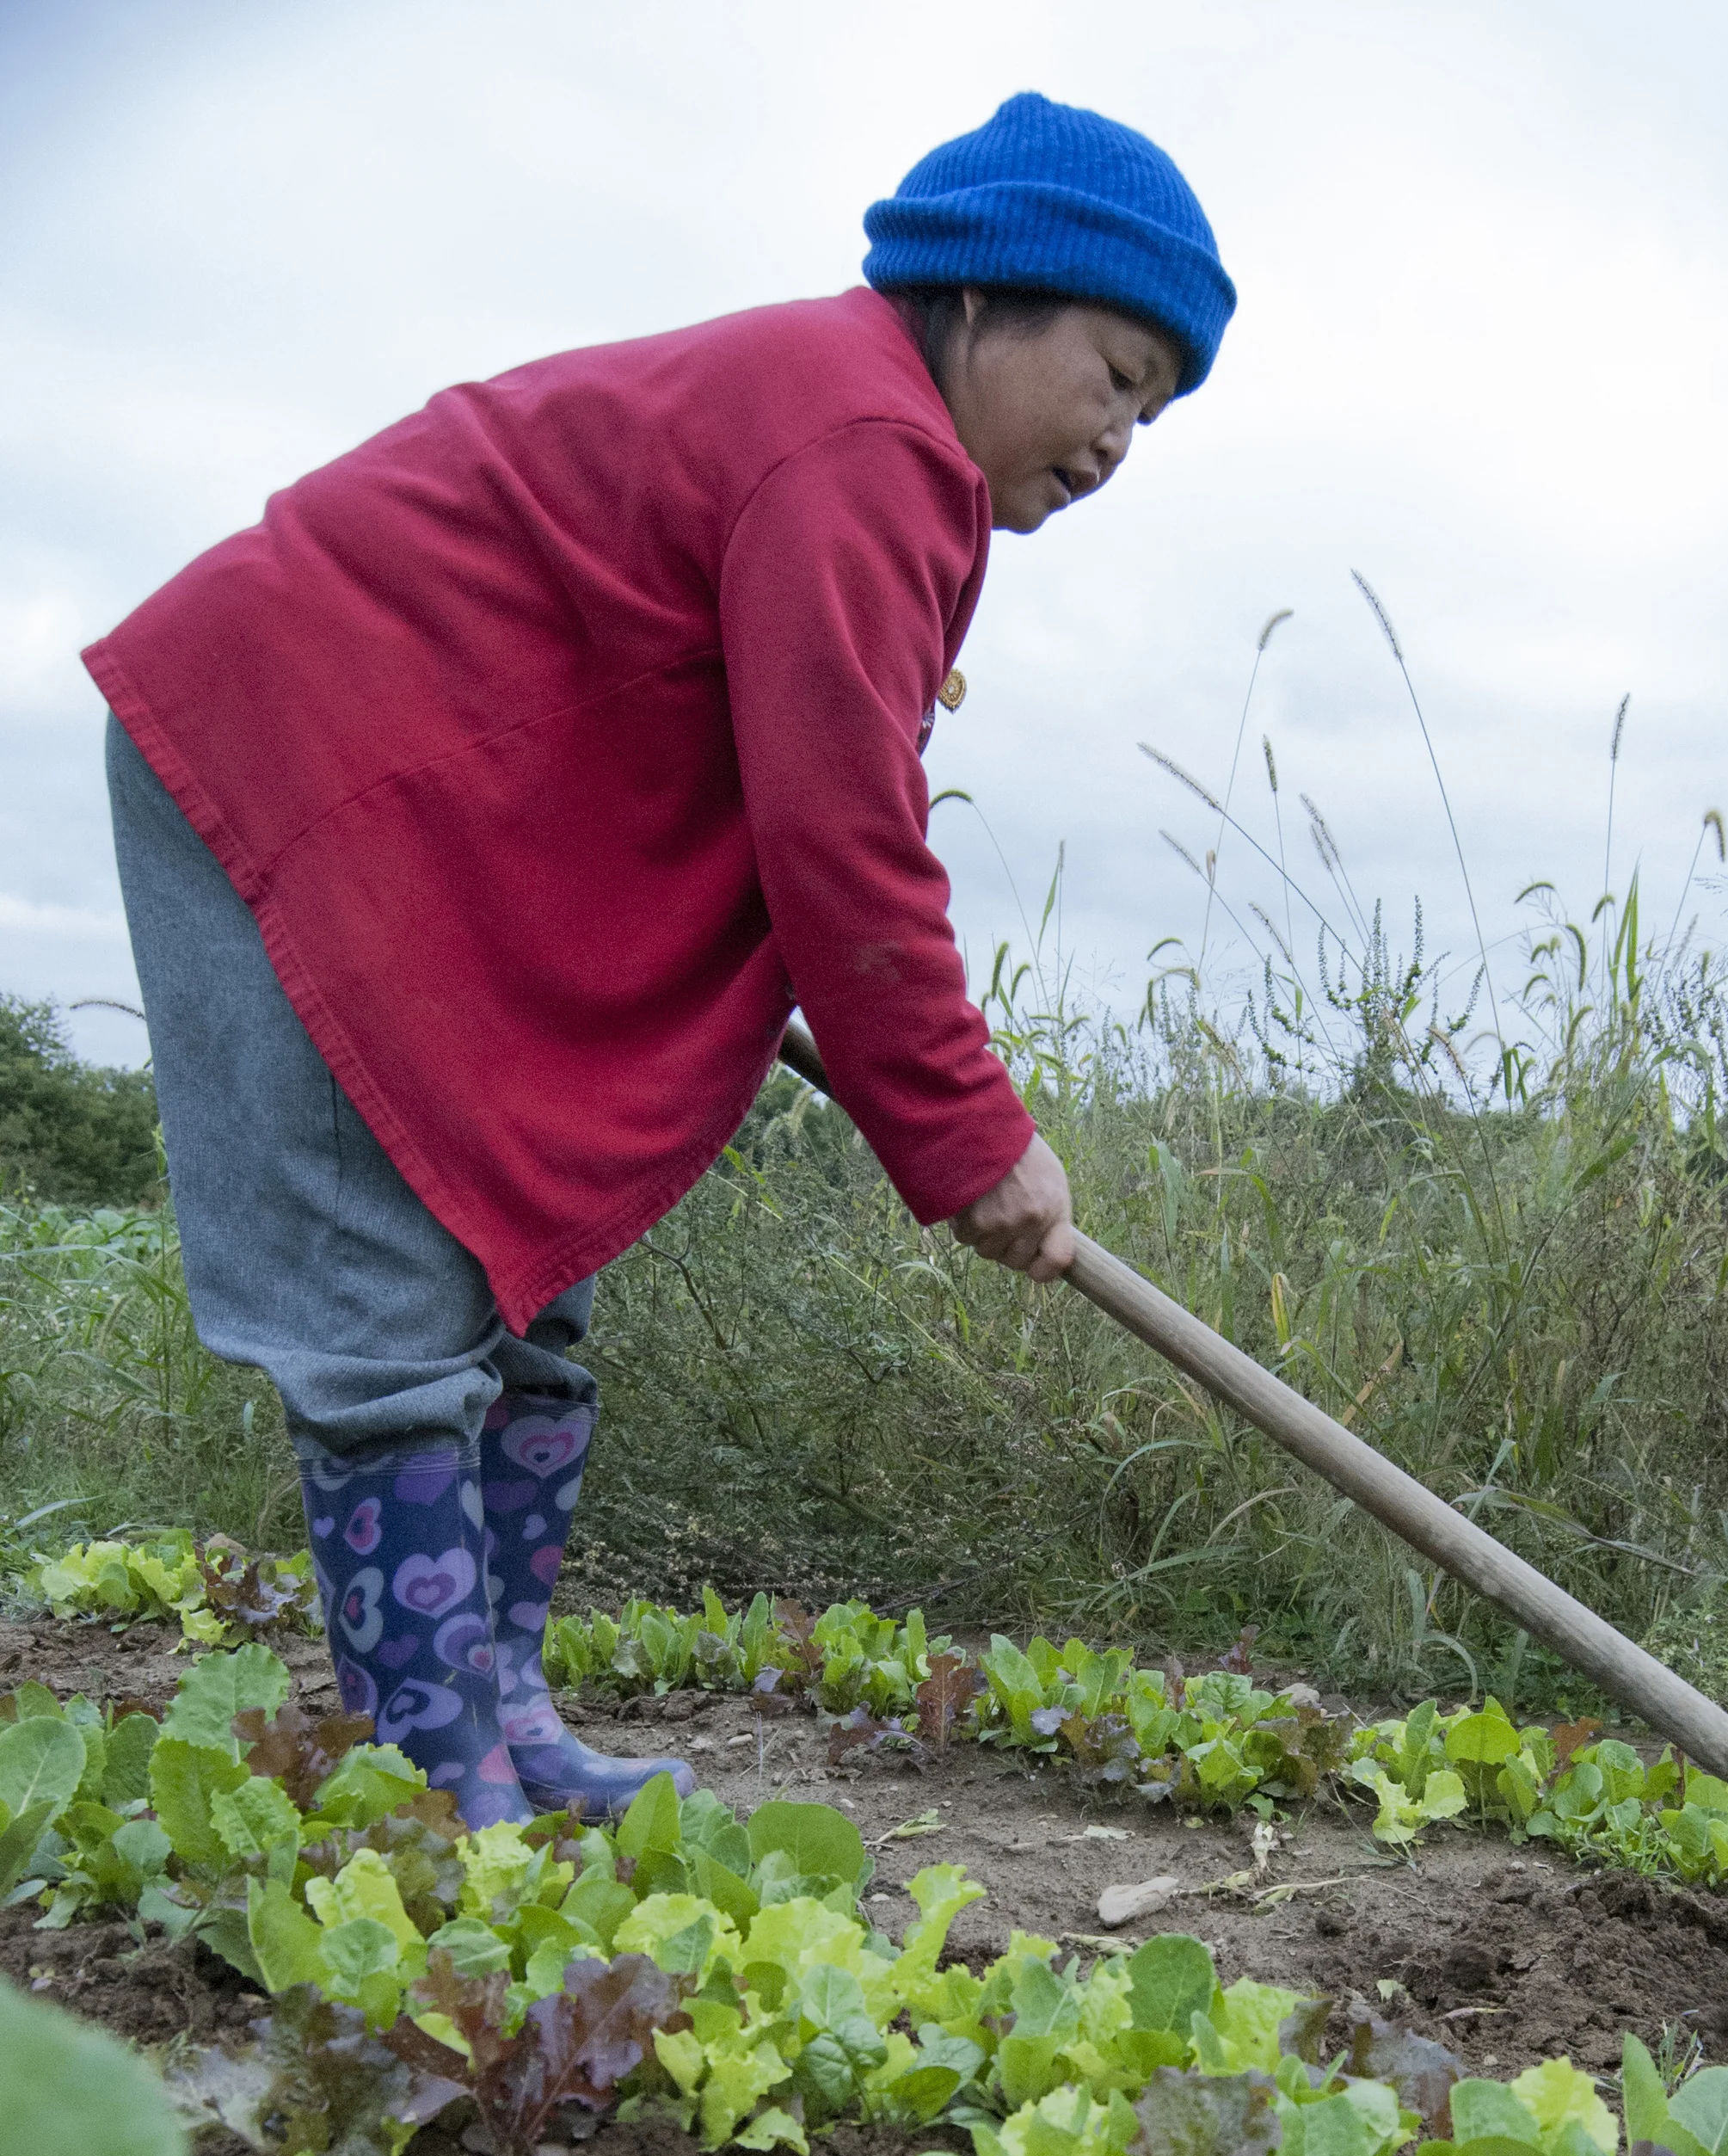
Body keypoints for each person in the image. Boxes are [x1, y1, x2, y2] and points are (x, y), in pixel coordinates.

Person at [84, 91, 1234, 1825]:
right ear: (986, 298)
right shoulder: (856, 441)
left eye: (1153, 410)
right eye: (1114, 374)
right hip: (295, 763)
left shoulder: (866, 451)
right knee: (398, 1304)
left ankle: (510, 1725)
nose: (1118, 441)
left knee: (534, 1281)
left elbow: (760, 778)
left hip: (445, 812)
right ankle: (437, 1785)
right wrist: (967, 1136)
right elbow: (847, 843)